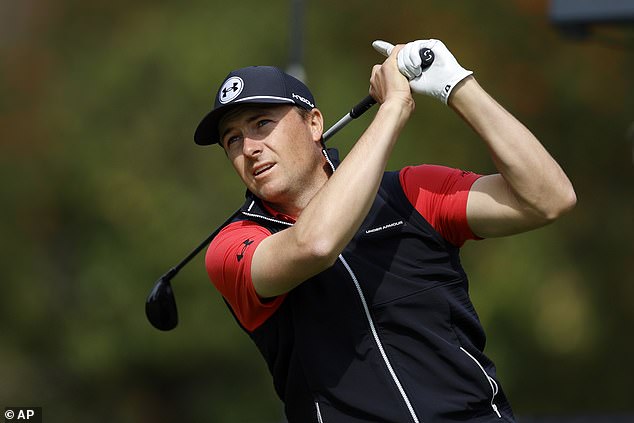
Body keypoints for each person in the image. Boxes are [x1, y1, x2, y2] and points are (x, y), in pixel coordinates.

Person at [193, 39, 576, 423]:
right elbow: (315, 243)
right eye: (233, 139)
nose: (250, 148)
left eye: (262, 124)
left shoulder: (409, 194)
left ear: (313, 124)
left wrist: (459, 87)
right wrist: (393, 108)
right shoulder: (232, 246)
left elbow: (548, 198)